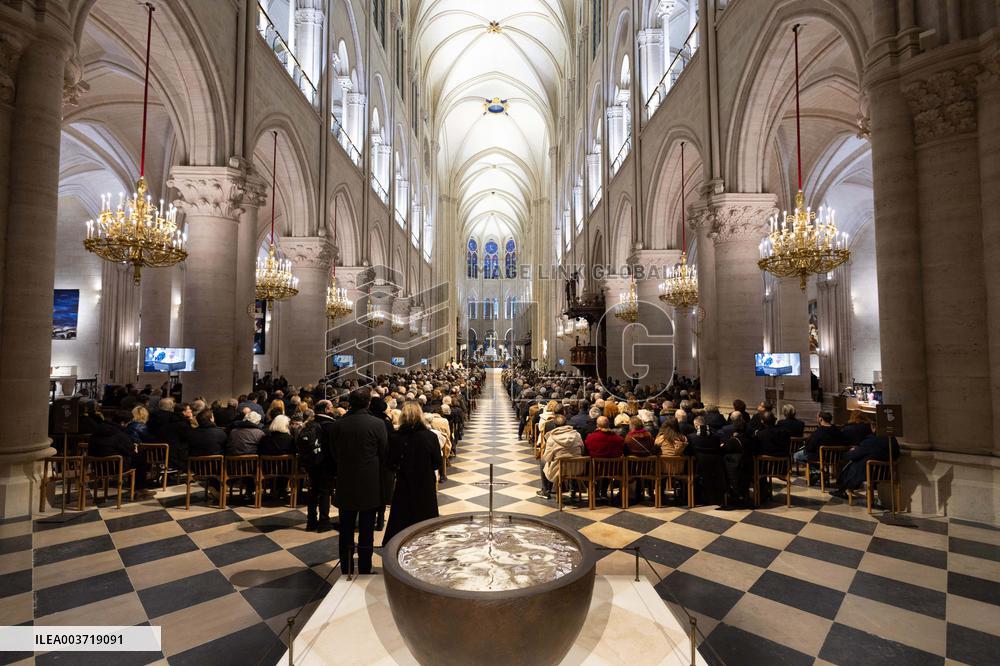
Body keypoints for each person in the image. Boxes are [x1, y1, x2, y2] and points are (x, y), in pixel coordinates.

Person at [329, 387, 387, 575]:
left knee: (345, 530)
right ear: (368, 402)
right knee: (366, 531)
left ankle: (345, 568)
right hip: (369, 483)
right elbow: (384, 452)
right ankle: (364, 569)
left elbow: (333, 453)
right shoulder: (377, 424)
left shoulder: (338, 424)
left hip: (346, 481)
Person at [383, 401, 442, 542]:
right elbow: (437, 464)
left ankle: (397, 546)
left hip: (404, 482)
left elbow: (390, 463)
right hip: (425, 483)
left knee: (402, 518)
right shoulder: (430, 436)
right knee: (425, 520)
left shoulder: (395, 437)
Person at [831, 421, 901, 500]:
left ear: (873, 427)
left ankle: (842, 489)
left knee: (848, 461)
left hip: (870, 472)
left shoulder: (871, 440)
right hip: (888, 472)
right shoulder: (893, 441)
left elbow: (854, 455)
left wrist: (851, 452)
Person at [299, 404, 335, 531]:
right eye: (331, 407)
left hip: (311, 463)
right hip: (325, 464)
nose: (333, 409)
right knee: (325, 492)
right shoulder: (329, 425)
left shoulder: (309, 424)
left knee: (313, 492)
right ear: (326, 409)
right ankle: (324, 522)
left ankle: (311, 522)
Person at [538, 415, 584, 499]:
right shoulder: (577, 435)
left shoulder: (551, 438)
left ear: (554, 426)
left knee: (542, 461)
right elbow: (582, 450)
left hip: (559, 470)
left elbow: (547, 458)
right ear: (566, 423)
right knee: (572, 459)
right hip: (577, 469)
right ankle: (573, 489)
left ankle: (545, 491)